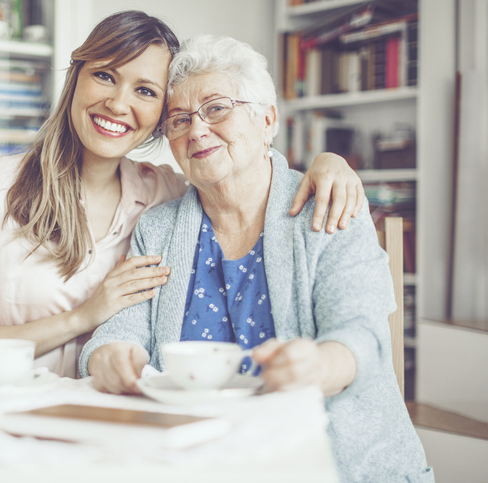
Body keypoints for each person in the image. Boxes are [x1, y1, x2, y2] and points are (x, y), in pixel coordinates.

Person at [0, 11, 365, 379]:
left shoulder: (168, 198)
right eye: (104, 75)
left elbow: (240, 168)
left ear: (160, 117)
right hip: (11, 410)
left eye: (145, 91)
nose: (118, 104)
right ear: (76, 79)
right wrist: (82, 318)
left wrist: (329, 161)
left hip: (116, 421)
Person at [80, 35, 432, 482]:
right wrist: (110, 357)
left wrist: (319, 366)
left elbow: (362, 335)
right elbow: (121, 330)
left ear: (267, 120)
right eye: (179, 120)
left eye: (217, 108)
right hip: (198, 464)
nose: (198, 130)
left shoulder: (326, 204)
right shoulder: (159, 227)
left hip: (329, 465)